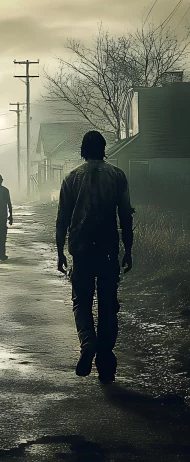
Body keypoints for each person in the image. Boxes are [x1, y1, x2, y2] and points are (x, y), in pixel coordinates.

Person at [56, 131, 134, 383]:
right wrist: (128, 249)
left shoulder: (71, 178)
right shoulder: (117, 176)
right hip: (108, 248)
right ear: (103, 149)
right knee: (108, 303)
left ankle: (88, 341)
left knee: (82, 300)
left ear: (82, 150)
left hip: (81, 249)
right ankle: (105, 358)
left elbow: (62, 219)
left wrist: (59, 251)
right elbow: (125, 215)